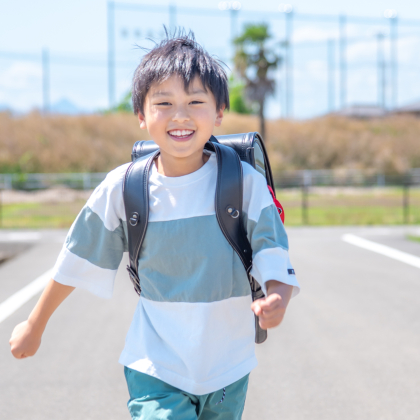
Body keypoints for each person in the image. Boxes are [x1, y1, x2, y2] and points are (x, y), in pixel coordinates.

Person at [9, 31, 300, 419]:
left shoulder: (243, 182)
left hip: (229, 367)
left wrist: (277, 297)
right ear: (142, 117)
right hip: (155, 365)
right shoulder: (124, 187)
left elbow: (272, 250)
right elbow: (74, 260)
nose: (180, 115)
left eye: (195, 101)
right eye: (164, 103)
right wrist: (34, 324)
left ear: (219, 112)